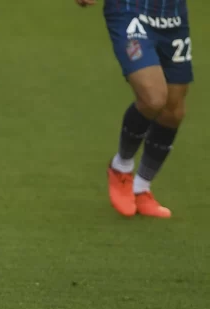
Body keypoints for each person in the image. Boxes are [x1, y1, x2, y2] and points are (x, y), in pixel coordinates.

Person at [77, 0, 192, 218]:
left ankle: (141, 188)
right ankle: (121, 167)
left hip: (174, 16)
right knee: (154, 98)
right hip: (130, 10)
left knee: (173, 111)